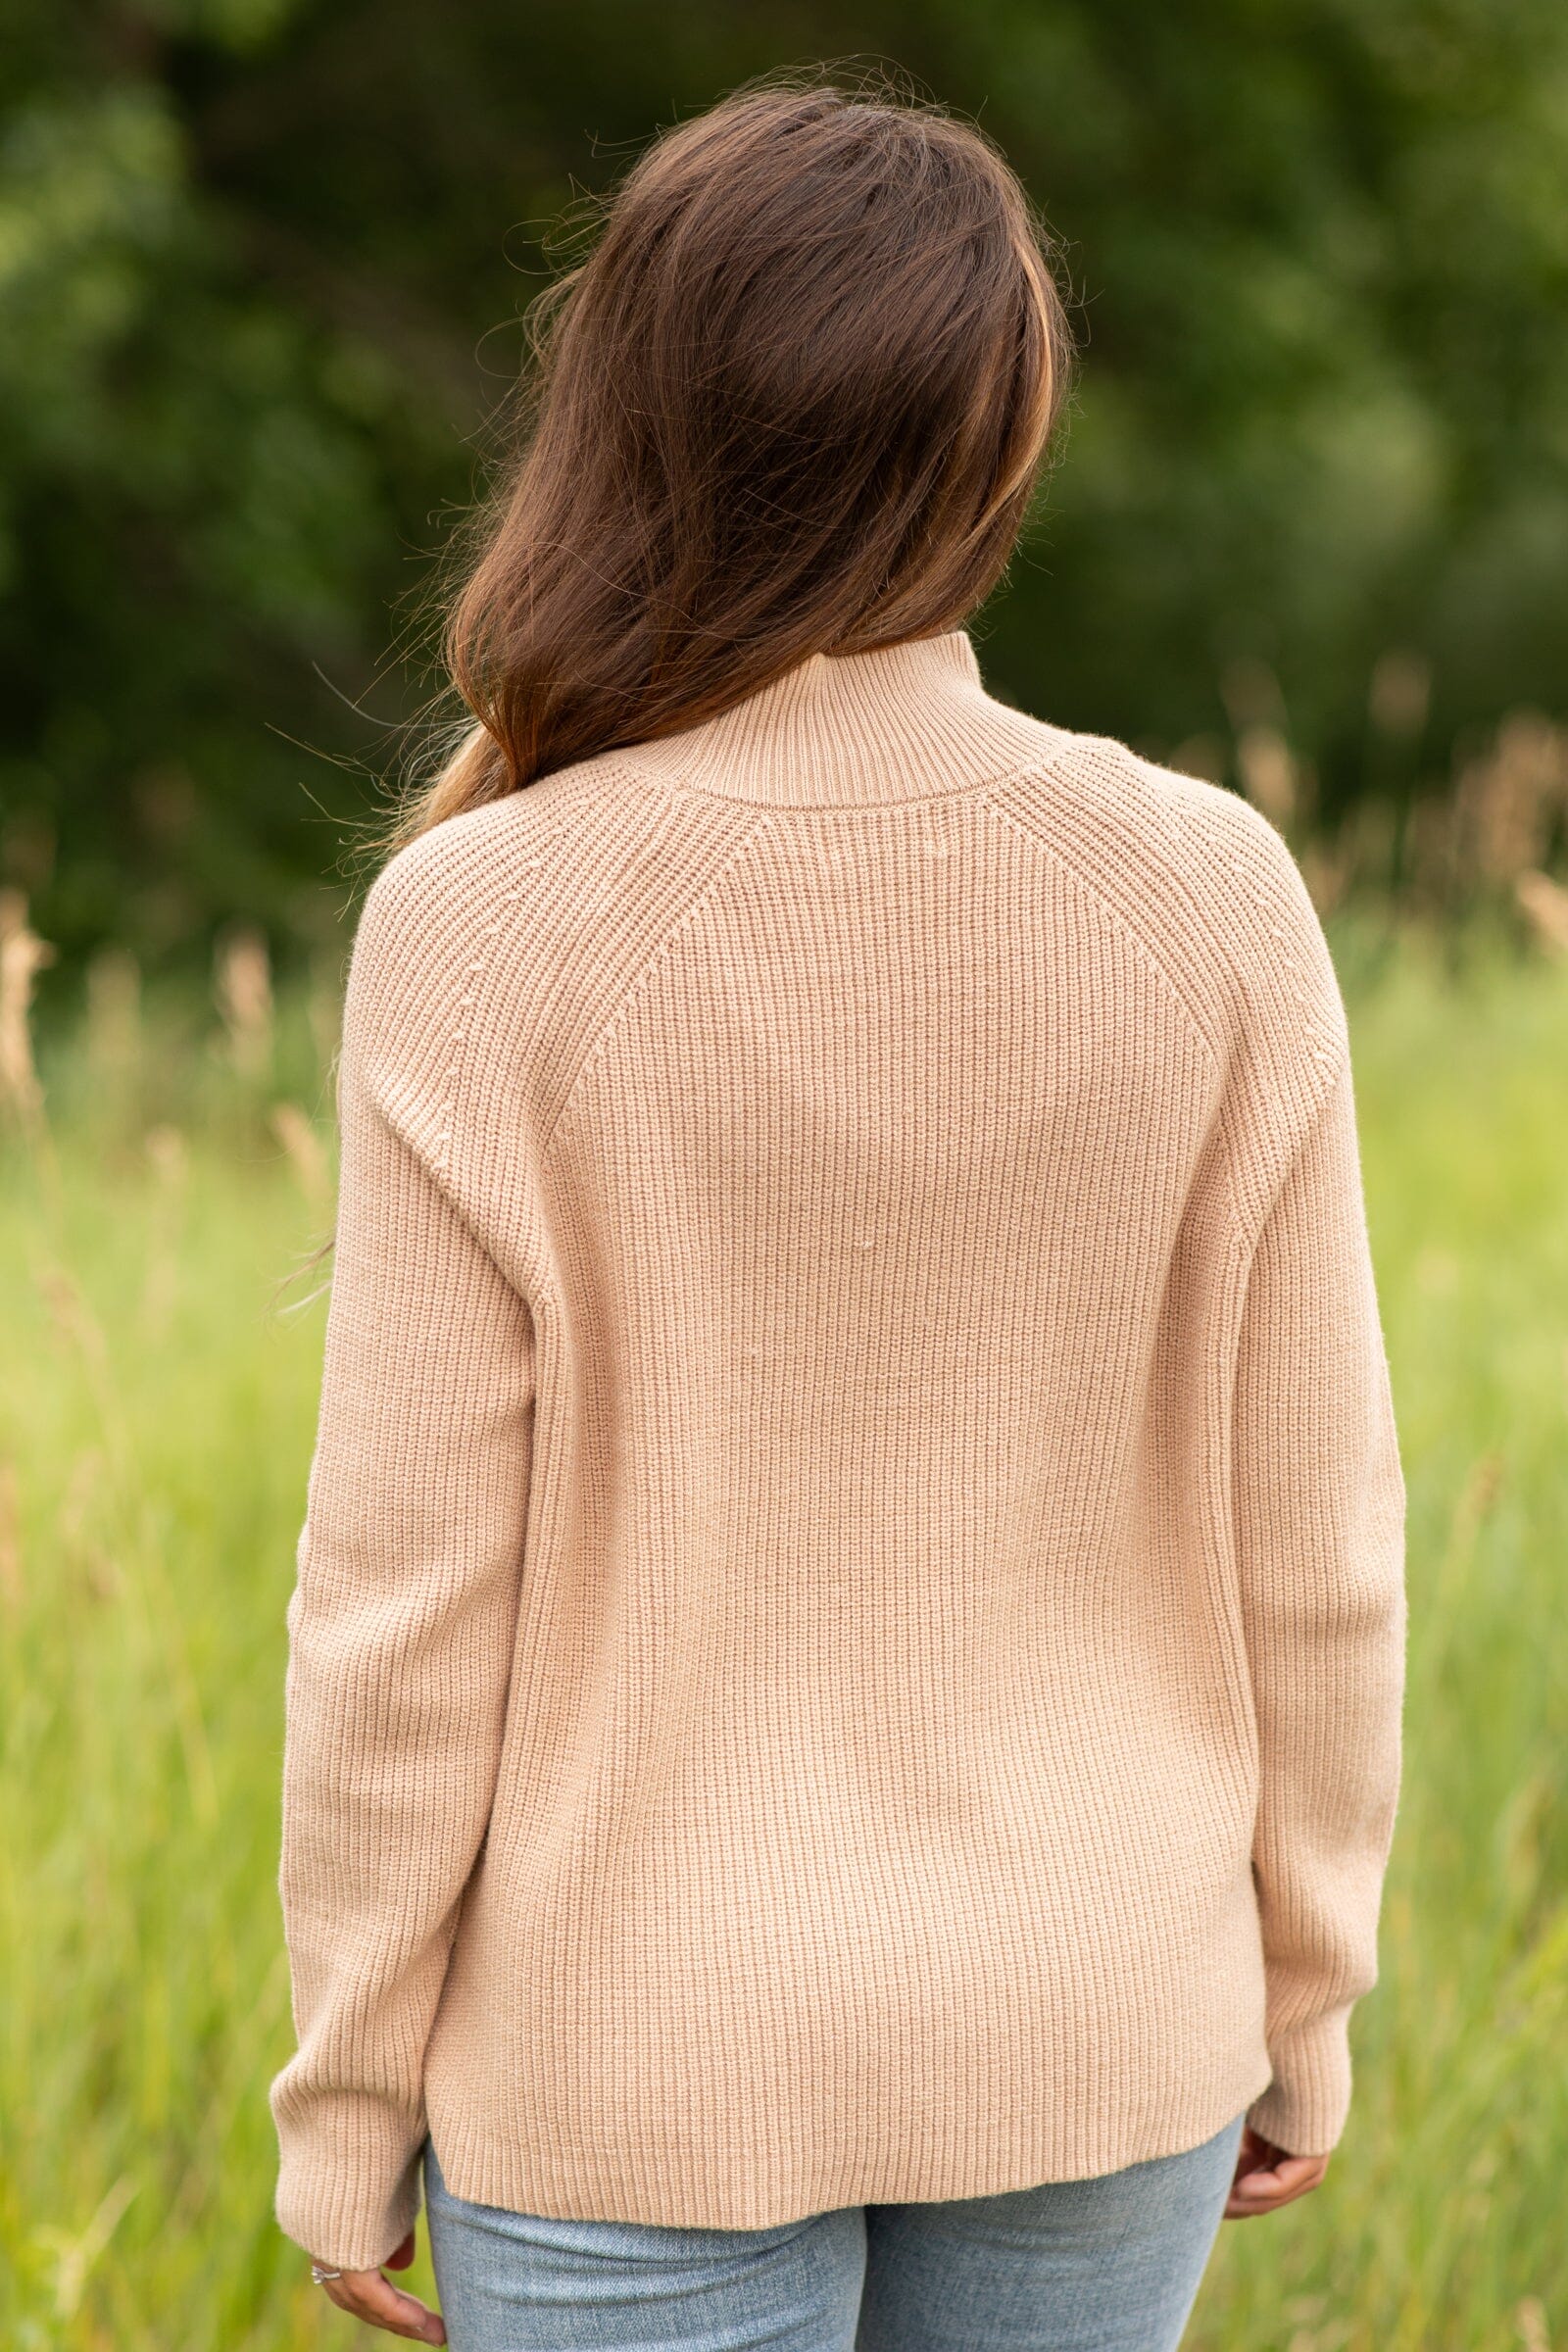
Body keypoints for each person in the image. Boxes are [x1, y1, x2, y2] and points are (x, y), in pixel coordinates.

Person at [269, 74, 1407, 2352]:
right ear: (999, 442)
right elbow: (1316, 1537)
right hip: (1101, 2026)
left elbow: (404, 1603)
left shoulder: (482, 922)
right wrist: (1302, 1989)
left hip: (622, 2070)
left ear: (624, 425)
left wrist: (352, 2093)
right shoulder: (1209, 893)